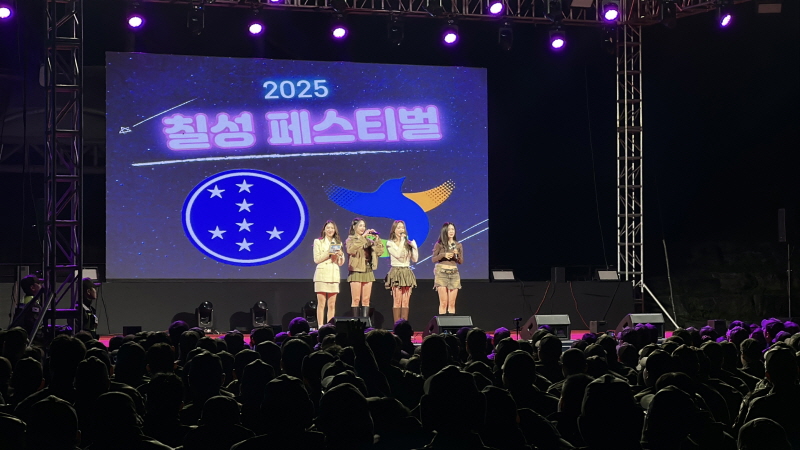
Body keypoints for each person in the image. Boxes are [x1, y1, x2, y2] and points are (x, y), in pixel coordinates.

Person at [346, 217, 384, 317]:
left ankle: (365, 323)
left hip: (368, 270)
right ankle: (356, 322)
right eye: (360, 226)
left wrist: (377, 240)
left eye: (364, 226)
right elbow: (351, 250)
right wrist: (363, 237)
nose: (363, 228)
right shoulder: (350, 239)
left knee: (366, 299)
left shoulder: (369, 241)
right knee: (356, 299)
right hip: (356, 270)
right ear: (354, 227)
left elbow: (380, 252)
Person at [384, 220, 418, 323]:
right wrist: (403, 241)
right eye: (398, 228)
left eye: (402, 227)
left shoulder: (407, 243)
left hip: (406, 271)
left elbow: (415, 259)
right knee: (397, 300)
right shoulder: (390, 243)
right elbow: (397, 255)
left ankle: (404, 325)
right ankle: (397, 325)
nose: (401, 230)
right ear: (394, 230)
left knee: (406, 301)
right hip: (396, 271)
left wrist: (414, 247)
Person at [313, 220, 345, 327]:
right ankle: (320, 326)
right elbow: (317, 259)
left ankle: (330, 326)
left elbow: (340, 263)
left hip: (333, 275)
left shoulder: (338, 243)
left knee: (332, 304)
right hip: (322, 275)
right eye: (328, 228)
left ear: (335, 230)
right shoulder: (318, 242)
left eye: (332, 228)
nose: (330, 230)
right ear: (324, 230)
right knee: (321, 303)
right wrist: (329, 252)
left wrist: (341, 254)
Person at [432, 222, 463, 315]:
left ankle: (451, 323)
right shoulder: (439, 244)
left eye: (453, 229)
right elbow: (433, 259)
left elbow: (461, 261)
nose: (451, 231)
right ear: (445, 231)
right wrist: (443, 255)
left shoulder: (458, 245)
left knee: (452, 303)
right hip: (442, 273)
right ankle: (442, 323)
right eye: (449, 229)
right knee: (443, 302)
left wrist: (457, 254)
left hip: (454, 273)